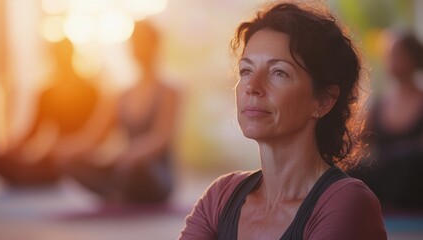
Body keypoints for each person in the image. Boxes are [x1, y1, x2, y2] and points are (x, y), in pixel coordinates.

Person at [179, 2, 386, 239]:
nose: (252, 87)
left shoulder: (346, 203)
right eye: (246, 71)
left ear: (324, 101)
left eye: (279, 72)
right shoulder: (220, 197)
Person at [63, 20, 179, 203]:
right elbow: (95, 136)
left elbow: (161, 138)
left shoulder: (170, 92)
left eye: (143, 41)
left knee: (138, 167)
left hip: (152, 172)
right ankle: (118, 189)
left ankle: (118, 189)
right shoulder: (121, 96)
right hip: (122, 166)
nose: (138, 46)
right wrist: (65, 149)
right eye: (134, 41)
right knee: (71, 162)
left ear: (155, 44)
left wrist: (132, 154)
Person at [0, 39, 109, 185]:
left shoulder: (90, 91)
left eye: (64, 54)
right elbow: (32, 131)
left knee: (66, 166)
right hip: (52, 155)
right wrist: (10, 147)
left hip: (79, 155)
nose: (61, 59)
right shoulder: (46, 94)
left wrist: (67, 149)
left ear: (72, 55)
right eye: (58, 55)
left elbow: (95, 135)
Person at [350, 31, 423, 211]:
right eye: (388, 54)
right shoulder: (378, 106)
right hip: (384, 190)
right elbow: (354, 144)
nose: (390, 60)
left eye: (396, 54)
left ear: (413, 58)